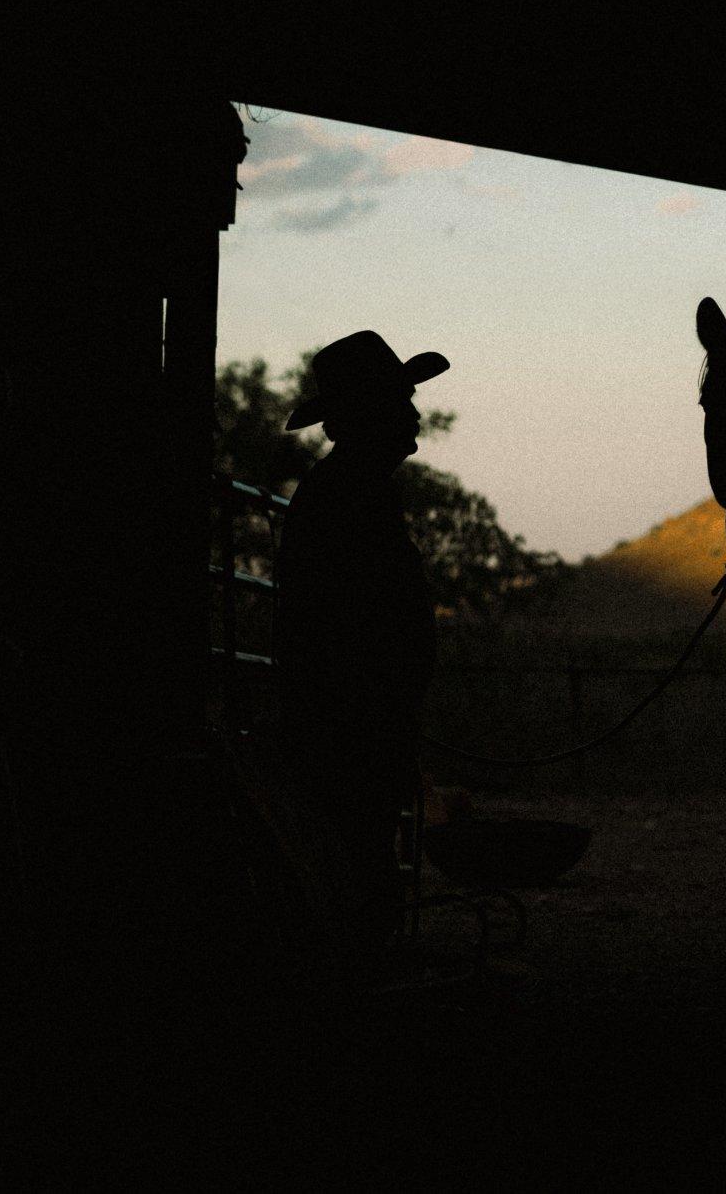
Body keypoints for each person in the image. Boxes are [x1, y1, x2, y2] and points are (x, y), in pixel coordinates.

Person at [275, 330, 448, 982]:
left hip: (352, 724)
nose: (413, 413)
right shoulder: (349, 498)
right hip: (350, 729)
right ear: (370, 413)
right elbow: (351, 630)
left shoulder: (346, 492)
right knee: (357, 867)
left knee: (358, 862)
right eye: (401, 399)